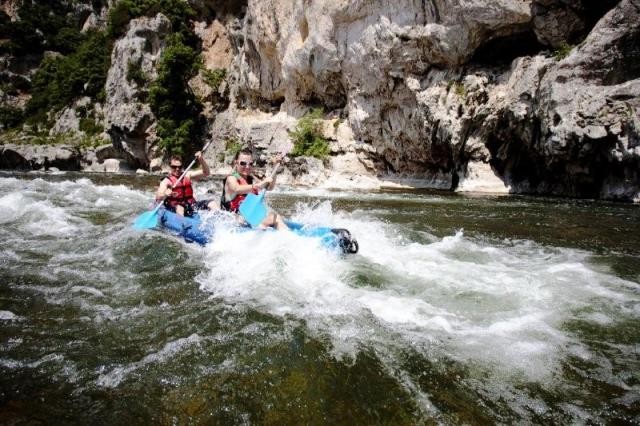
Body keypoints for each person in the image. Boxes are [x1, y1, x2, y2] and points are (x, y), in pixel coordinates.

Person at [221, 148, 288, 230]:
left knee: (275, 217)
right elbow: (236, 188)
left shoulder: (251, 178)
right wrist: (260, 184)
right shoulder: (231, 178)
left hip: (248, 218)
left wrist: (275, 168)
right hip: (233, 220)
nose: (247, 166)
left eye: (250, 164)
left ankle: (289, 238)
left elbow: (269, 187)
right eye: (243, 163)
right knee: (268, 222)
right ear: (236, 163)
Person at [155, 151, 218, 217]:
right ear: (170, 167)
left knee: (212, 203)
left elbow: (206, 172)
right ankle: (182, 224)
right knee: (180, 208)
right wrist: (165, 193)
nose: (177, 169)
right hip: (176, 206)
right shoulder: (166, 181)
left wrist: (201, 160)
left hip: (190, 204)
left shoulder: (187, 175)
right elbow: (158, 197)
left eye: (180, 167)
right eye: (174, 167)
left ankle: (220, 221)